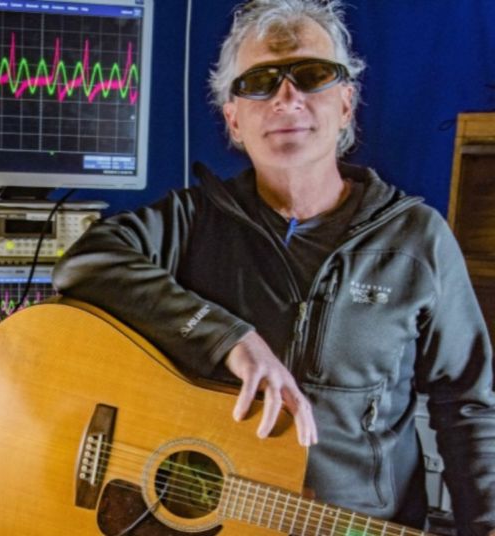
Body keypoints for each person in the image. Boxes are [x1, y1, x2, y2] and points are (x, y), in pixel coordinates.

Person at [52, 0, 495, 534]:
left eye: (312, 76)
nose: (287, 98)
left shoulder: (418, 238)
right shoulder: (192, 221)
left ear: (347, 104)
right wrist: (229, 338)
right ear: (234, 119)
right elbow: (85, 265)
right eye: (260, 82)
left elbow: (470, 408)